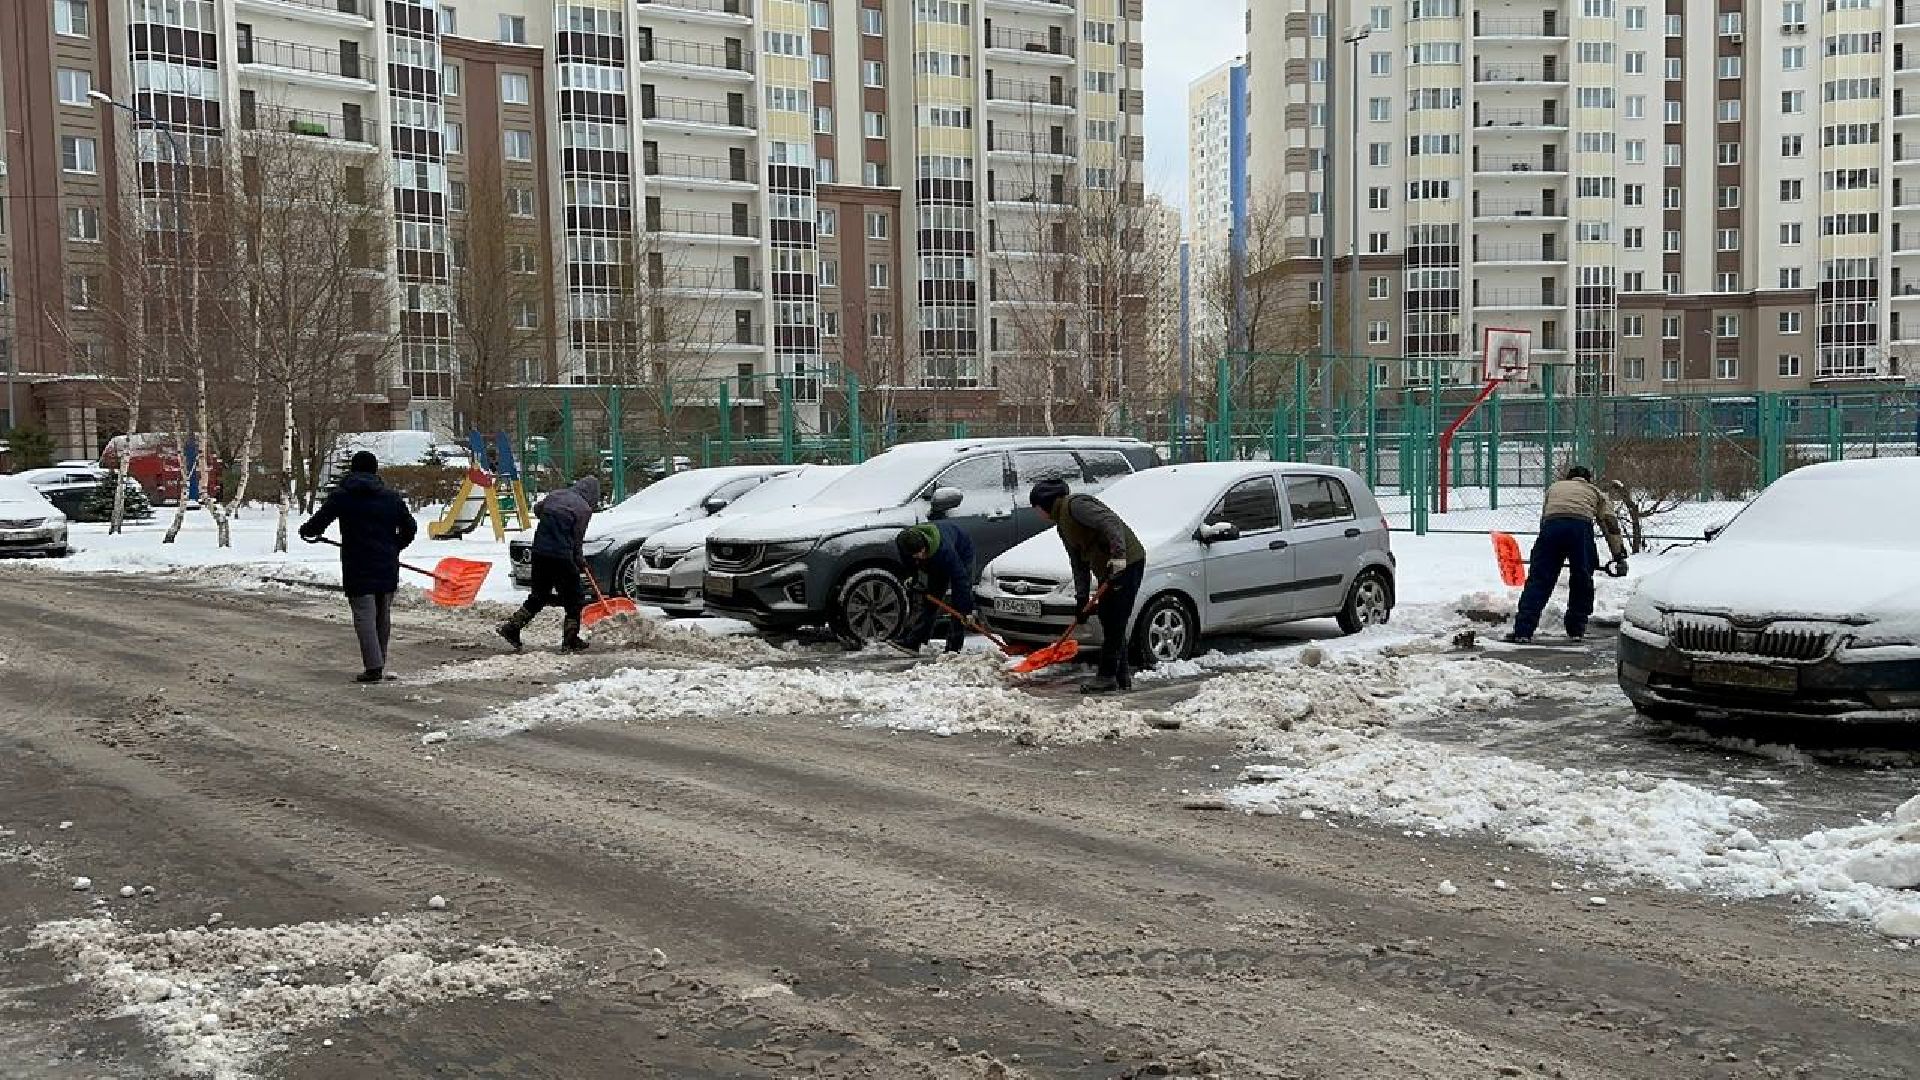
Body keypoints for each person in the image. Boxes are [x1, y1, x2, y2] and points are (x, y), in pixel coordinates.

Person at [300, 451, 418, 683]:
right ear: (375, 470)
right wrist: (394, 548)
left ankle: (373, 668)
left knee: (364, 616)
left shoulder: (343, 497)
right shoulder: (391, 498)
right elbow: (410, 528)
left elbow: (317, 524)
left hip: (357, 564)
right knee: (382, 616)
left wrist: (307, 530)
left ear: (353, 470)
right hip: (386, 565)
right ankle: (379, 662)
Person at [1028, 478, 1146, 694]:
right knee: (1108, 617)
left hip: (1127, 562)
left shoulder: (1076, 505)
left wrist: (1119, 556)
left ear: (1044, 503)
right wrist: (1081, 599)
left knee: (1115, 619)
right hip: (1109, 570)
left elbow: (1109, 522)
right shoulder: (1063, 526)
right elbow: (1079, 563)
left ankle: (1107, 677)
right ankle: (1121, 676)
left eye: (1036, 508)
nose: (1037, 514)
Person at [1506, 465, 1629, 644]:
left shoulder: (1554, 488)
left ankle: (1522, 631)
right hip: (1580, 530)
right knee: (1582, 579)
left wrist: (1548, 551)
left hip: (1551, 529)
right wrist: (1618, 555)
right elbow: (1609, 524)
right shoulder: (1594, 492)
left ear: (1568, 478)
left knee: (1539, 580)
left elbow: (1545, 517)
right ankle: (1576, 630)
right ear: (1588, 479)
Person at [498, 475, 601, 652]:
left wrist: (551, 520)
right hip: (562, 556)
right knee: (574, 597)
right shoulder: (583, 509)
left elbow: (537, 509)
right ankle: (570, 639)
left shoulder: (556, 495)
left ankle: (512, 627)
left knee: (539, 595)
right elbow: (577, 538)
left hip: (539, 553)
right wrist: (580, 560)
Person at [891, 521, 977, 654]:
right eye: (916, 555)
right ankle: (914, 642)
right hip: (936, 559)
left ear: (925, 545)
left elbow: (961, 580)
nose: (920, 556)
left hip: (962, 551)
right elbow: (908, 563)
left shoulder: (945, 551)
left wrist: (966, 610)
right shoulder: (904, 542)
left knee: (958, 604)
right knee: (931, 600)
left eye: (922, 552)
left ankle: (953, 649)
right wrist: (911, 576)